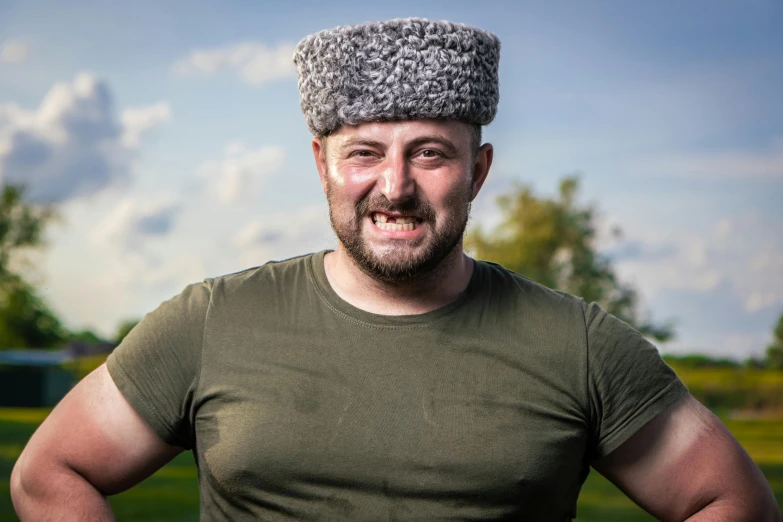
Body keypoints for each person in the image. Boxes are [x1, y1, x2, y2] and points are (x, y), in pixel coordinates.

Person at [10, 17, 780, 522]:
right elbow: (51, 474)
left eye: (430, 153)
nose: (395, 186)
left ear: (476, 172)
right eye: (365, 154)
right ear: (322, 165)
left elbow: (729, 501)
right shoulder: (211, 322)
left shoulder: (578, 344)